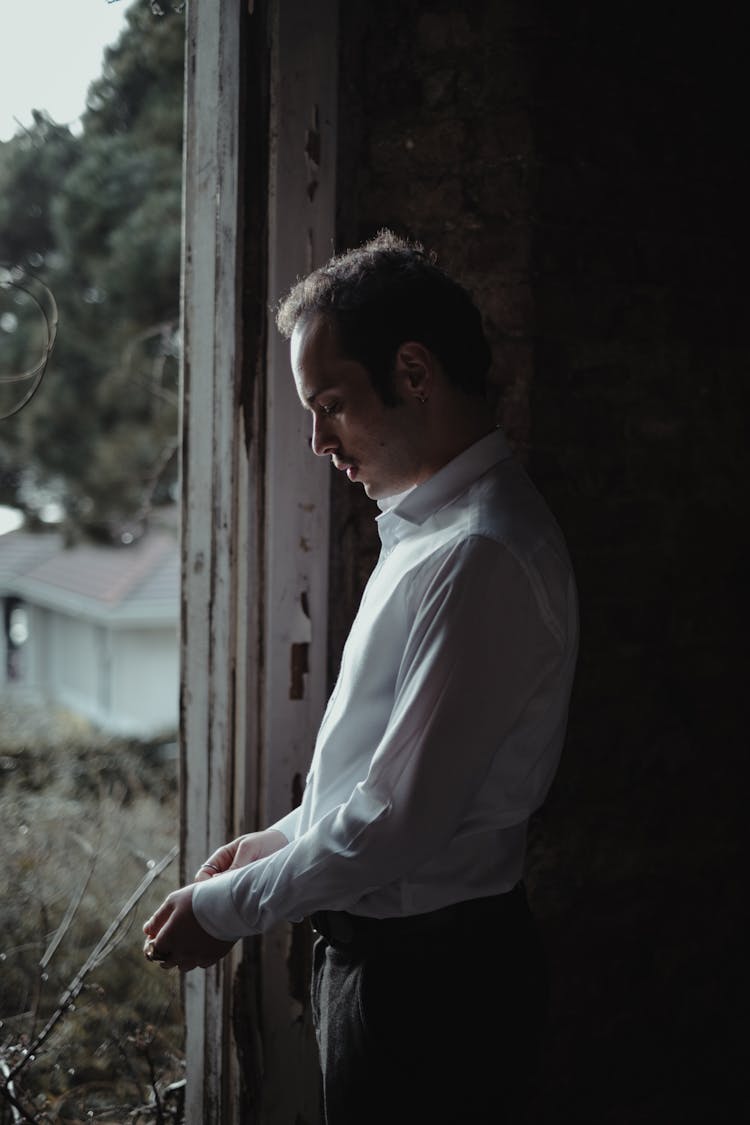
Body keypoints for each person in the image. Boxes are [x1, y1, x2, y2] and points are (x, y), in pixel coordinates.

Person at [143, 231, 579, 1123]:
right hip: (413, 965)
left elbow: (397, 823)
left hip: (432, 989)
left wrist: (224, 910)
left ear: (413, 372)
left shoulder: (479, 555)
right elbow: (384, 774)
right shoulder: (430, 529)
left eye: (331, 403)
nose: (316, 440)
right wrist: (278, 838)